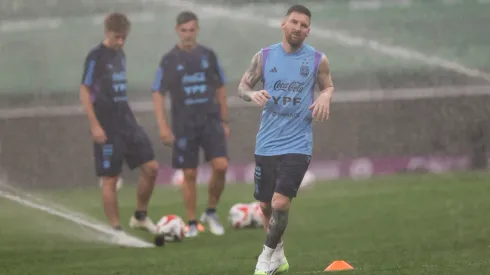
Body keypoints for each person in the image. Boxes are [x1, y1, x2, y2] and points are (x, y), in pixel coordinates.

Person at [237, 5, 334, 275]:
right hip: (266, 142)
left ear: (308, 31)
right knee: (266, 204)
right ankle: (279, 256)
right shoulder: (265, 56)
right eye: (294, 22)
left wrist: (325, 96)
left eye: (304, 25)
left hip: (298, 142)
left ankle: (264, 259)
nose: (298, 28)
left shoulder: (317, 59)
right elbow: (242, 86)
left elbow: (328, 85)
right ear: (283, 24)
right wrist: (251, 95)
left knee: (281, 203)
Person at [152, 11, 229, 238]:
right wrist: (163, 126)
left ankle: (211, 212)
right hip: (184, 124)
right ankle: (193, 222)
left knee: (221, 166)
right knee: (189, 173)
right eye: (183, 30)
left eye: (191, 30)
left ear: (197, 30)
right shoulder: (169, 60)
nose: (187, 34)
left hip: (211, 120)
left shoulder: (208, 55)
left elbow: (221, 88)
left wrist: (224, 120)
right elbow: (158, 93)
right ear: (177, 31)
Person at [80, 12, 158, 236]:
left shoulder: (120, 54)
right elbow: (84, 90)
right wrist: (94, 125)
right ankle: (115, 229)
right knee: (110, 178)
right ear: (107, 33)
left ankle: (140, 217)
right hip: (106, 124)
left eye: (124, 37)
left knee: (151, 168)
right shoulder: (96, 56)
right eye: (117, 37)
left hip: (127, 121)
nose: (121, 41)